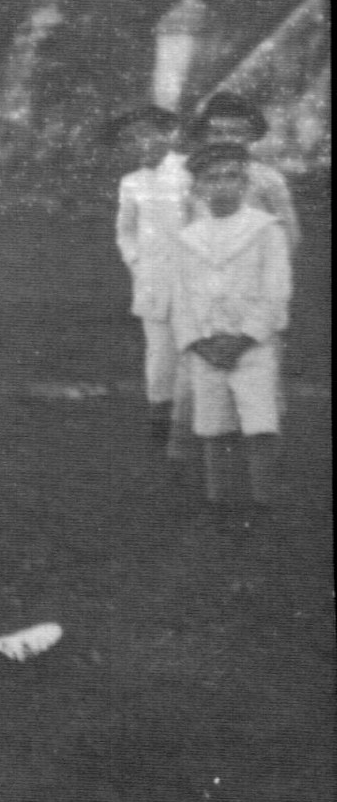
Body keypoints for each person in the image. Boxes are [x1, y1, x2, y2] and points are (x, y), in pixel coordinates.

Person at [170, 143, 292, 531]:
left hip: (251, 345)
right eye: (212, 178)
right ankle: (219, 500)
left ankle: (263, 502)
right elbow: (181, 296)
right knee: (213, 422)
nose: (222, 186)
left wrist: (244, 338)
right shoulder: (190, 237)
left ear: (245, 182)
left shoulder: (264, 230)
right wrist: (199, 342)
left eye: (232, 177)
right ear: (198, 188)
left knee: (259, 420)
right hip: (206, 346)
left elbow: (277, 291)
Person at [105, 104, 192, 459]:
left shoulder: (190, 172)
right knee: (159, 351)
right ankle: (161, 417)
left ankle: (196, 424)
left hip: (194, 277)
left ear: (167, 134)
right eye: (131, 138)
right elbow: (125, 231)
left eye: (148, 133)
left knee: (195, 347)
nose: (141, 143)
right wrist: (138, 262)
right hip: (153, 280)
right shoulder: (131, 183)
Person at [188, 92, 302, 253]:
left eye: (235, 133)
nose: (226, 139)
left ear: (251, 135)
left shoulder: (268, 178)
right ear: (204, 136)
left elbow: (290, 235)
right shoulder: (191, 177)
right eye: (217, 133)